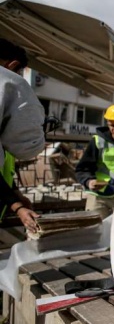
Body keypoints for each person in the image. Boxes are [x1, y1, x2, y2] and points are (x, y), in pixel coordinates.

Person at [0, 38, 46, 231]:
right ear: (13, 66)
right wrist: (17, 206)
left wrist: (14, 195)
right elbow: (26, 147)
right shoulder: (8, 82)